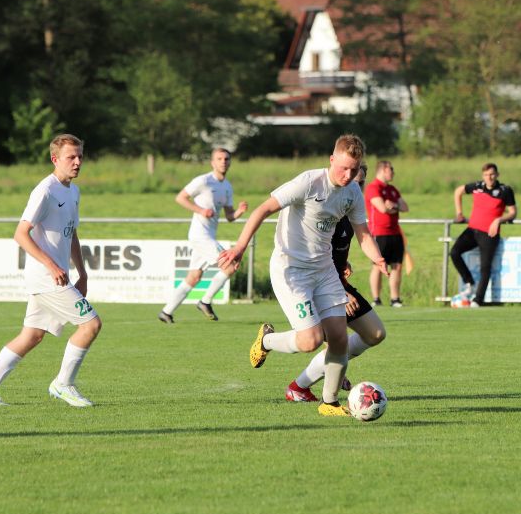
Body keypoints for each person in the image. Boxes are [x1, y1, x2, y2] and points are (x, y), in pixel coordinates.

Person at [218, 134, 388, 417]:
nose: (348, 175)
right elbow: (263, 209)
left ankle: (329, 403)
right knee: (310, 340)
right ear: (331, 160)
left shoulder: (353, 193)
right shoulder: (308, 182)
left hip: (324, 270)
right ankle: (267, 340)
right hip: (291, 270)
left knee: (339, 338)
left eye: (354, 170)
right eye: (343, 168)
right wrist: (239, 247)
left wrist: (377, 257)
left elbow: (364, 234)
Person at [0, 134, 102, 407]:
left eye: (80, 156)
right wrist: (51, 265)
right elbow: (20, 234)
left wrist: (83, 272)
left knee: (31, 336)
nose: (77, 162)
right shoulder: (45, 190)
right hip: (46, 277)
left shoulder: (73, 191)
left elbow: (71, 234)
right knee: (90, 325)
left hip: (56, 276)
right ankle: (63, 384)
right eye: (71, 157)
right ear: (55, 159)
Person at [285, 163, 387, 402]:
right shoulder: (328, 209)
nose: (355, 185)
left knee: (375, 333)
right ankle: (304, 382)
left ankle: (327, 371)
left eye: (361, 182)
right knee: (323, 338)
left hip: (338, 280)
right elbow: (316, 254)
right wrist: (342, 293)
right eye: (352, 180)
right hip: (322, 283)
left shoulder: (351, 209)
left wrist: (346, 262)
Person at [158, 148, 247, 323]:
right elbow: (181, 198)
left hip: (208, 236)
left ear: (230, 162)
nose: (223, 161)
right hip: (200, 235)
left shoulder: (227, 187)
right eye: (219, 159)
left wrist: (239, 212)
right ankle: (205, 301)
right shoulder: (203, 181)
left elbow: (229, 216)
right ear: (212, 162)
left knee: (194, 277)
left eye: (226, 159)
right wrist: (200, 210)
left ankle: (166, 312)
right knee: (230, 265)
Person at [451, 163, 517, 307]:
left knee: (485, 267)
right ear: (483, 176)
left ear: (497, 175)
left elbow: (513, 212)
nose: (489, 177)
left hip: (489, 234)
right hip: (472, 230)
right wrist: (459, 213)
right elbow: (458, 191)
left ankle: (478, 300)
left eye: (492, 174)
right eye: (486, 175)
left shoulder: (505, 190)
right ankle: (469, 282)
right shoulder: (477, 186)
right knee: (454, 252)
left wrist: (498, 220)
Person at [365, 160, 408, 307]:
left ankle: (395, 299)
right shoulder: (373, 187)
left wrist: (394, 205)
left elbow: (405, 207)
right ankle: (376, 299)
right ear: (383, 170)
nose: (393, 172)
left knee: (397, 266)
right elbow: (382, 208)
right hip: (379, 233)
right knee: (378, 265)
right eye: (391, 169)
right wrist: (394, 207)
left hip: (395, 232)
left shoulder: (392, 189)